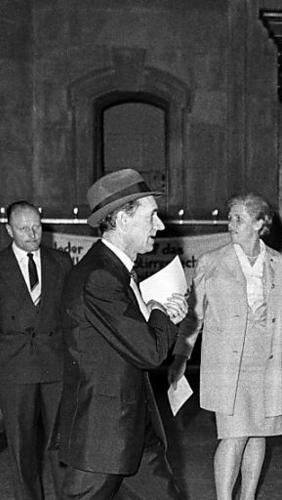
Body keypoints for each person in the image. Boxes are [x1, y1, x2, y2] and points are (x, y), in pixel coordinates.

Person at [167, 192, 282, 500]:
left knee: (258, 435)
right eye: (230, 218)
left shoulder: (279, 264)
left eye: (238, 218)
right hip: (228, 365)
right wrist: (180, 358)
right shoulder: (212, 262)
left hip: (266, 362)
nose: (230, 224)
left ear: (260, 223)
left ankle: (248, 497)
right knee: (234, 436)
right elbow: (194, 318)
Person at [57, 168, 187, 499]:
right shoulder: (100, 277)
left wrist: (162, 317)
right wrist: (161, 313)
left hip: (133, 427)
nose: (160, 226)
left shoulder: (116, 271)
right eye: (151, 216)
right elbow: (150, 352)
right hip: (103, 434)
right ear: (122, 219)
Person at [0, 201, 72, 500]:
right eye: (23, 228)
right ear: (9, 229)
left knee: (62, 446)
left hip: (56, 365)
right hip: (12, 369)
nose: (32, 233)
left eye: (36, 226)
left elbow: (71, 315)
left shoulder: (61, 262)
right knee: (22, 449)